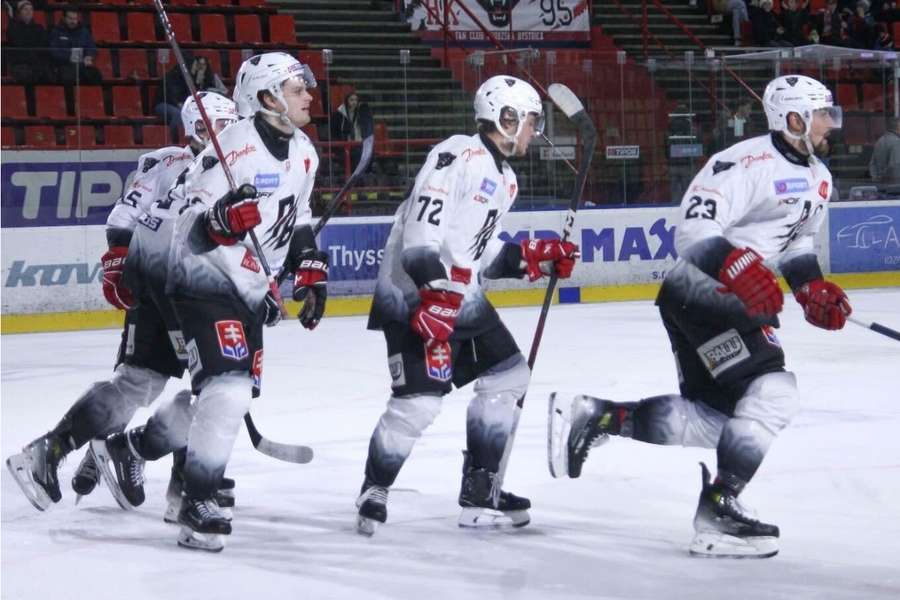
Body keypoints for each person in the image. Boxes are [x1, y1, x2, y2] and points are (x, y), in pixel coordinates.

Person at [548, 75, 851, 559]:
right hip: (704, 291)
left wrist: (809, 286)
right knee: (773, 393)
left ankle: (597, 415)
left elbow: (795, 243)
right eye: (821, 115)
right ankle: (719, 508)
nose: (829, 125)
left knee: (720, 419)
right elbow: (692, 229)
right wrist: (735, 265)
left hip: (723, 299)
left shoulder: (820, 176)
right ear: (793, 118)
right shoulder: (743, 162)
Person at [354, 75, 579, 536]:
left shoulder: (506, 178)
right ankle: (374, 487)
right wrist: (432, 290)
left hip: (463, 298)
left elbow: (479, 248)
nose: (535, 130)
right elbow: (421, 231)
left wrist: (531, 258)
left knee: (510, 374)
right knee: (419, 404)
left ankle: (481, 492)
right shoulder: (457, 153)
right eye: (531, 120)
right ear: (506, 117)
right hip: (414, 292)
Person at [4, 92, 239, 513]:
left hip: (210, 291)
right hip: (162, 285)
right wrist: (118, 260)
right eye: (211, 126)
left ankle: (183, 476)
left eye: (226, 125)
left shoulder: (242, 165)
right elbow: (123, 219)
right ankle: (64, 450)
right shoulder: (166, 163)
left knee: (214, 386)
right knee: (148, 382)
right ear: (194, 128)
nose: (220, 134)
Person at [149, 52, 323, 552]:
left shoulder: (305, 152)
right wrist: (221, 219)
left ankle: (132, 449)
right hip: (202, 280)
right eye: (297, 89)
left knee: (230, 393)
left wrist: (309, 270)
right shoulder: (231, 149)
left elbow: (300, 219)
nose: (309, 95)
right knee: (226, 390)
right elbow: (188, 229)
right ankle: (197, 499)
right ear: (268, 98)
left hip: (247, 286)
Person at [155, 55, 227, 143]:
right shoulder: (175, 75)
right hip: (165, 103)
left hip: (185, 105)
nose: (200, 68)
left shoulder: (206, 78)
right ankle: (175, 141)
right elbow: (170, 94)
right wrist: (179, 104)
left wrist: (198, 83)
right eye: (198, 65)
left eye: (203, 65)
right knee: (178, 115)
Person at [48, 9, 101, 85]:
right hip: (64, 65)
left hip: (82, 65)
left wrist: (89, 56)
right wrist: (70, 56)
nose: (73, 21)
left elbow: (91, 46)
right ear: (64, 18)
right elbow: (53, 52)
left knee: (95, 75)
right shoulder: (56, 32)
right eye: (70, 18)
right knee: (68, 77)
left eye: (75, 19)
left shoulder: (84, 31)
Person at [5, 0, 51, 84]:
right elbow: (18, 45)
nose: (28, 12)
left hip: (36, 63)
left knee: (47, 74)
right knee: (26, 75)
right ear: (19, 12)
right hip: (20, 64)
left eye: (31, 9)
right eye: (25, 9)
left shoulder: (39, 28)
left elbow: (43, 46)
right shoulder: (13, 28)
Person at [330, 91, 375, 172]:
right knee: (357, 154)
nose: (354, 102)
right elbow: (334, 132)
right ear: (347, 101)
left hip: (359, 143)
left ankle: (364, 177)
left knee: (369, 153)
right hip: (344, 145)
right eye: (351, 100)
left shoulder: (361, 113)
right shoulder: (339, 114)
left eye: (356, 100)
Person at [869, 116, 900, 183]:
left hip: (881, 185)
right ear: (898, 127)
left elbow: (872, 164)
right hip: (894, 187)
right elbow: (896, 167)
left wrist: (876, 179)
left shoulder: (880, 140)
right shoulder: (897, 142)